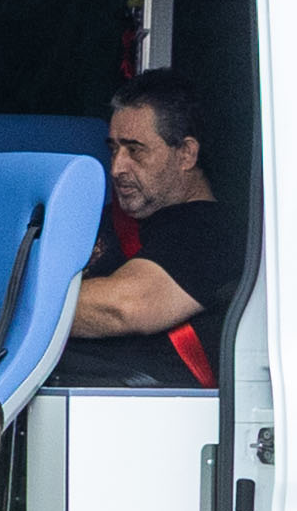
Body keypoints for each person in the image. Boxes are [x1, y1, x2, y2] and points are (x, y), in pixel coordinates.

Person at [59, 68, 241, 387]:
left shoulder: (215, 232)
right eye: (114, 149)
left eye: (135, 150)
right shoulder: (102, 218)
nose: (116, 168)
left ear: (186, 153)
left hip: (142, 415)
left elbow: (125, 307)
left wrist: (14, 307)